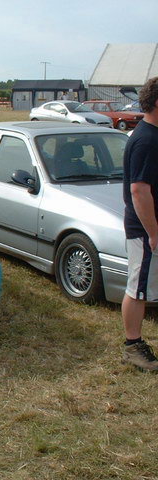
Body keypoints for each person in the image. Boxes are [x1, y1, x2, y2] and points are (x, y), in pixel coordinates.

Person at [121, 76, 158, 371]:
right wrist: (153, 233)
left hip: (151, 228)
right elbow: (139, 190)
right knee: (138, 287)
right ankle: (133, 346)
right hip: (144, 230)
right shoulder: (146, 139)